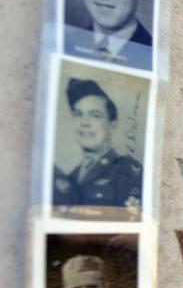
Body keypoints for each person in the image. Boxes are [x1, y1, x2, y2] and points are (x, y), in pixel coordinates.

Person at [53, 78, 143, 213]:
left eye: (95, 115)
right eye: (78, 114)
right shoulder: (72, 177)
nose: (84, 123)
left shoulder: (127, 173)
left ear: (112, 125)